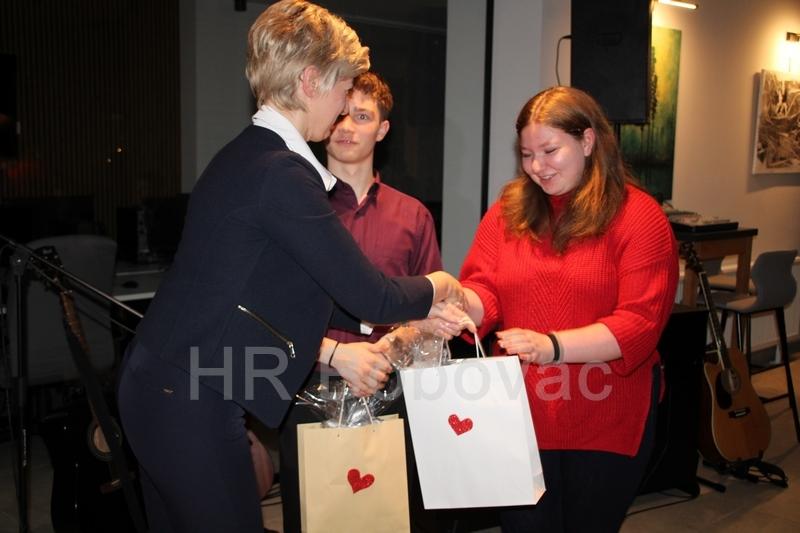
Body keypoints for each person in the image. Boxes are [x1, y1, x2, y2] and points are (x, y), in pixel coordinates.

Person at [116, 2, 464, 532]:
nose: (346, 103)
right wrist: (439, 283)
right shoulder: (282, 172)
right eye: (345, 87)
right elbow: (370, 296)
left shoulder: (248, 154)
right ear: (310, 81)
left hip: (164, 385)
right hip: (192, 397)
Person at [456, 86, 678, 532]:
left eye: (550, 150)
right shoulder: (507, 212)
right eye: (527, 154)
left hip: (604, 417)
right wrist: (459, 305)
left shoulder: (640, 217)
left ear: (588, 141)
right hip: (517, 413)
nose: (537, 167)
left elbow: (639, 324)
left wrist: (550, 346)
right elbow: (484, 288)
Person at [278, 71, 446, 533]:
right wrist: (339, 356)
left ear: (383, 129)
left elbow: (431, 314)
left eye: (364, 116)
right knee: (315, 517)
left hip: (390, 390)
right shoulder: (294, 205)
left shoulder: (413, 216)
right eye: (342, 114)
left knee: (388, 515)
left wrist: (386, 353)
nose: (348, 127)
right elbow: (272, 309)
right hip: (307, 386)